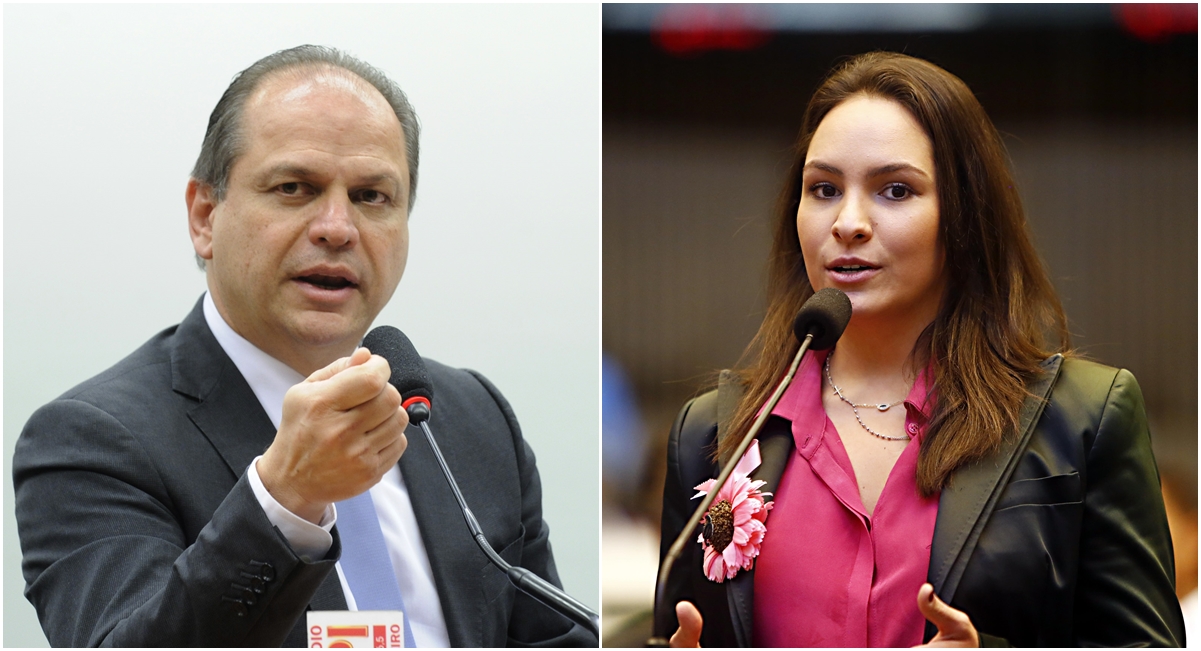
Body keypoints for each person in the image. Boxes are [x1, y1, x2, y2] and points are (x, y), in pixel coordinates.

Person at [14, 45, 595, 648]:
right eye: (295, 187)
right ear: (205, 216)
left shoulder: (470, 417)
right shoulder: (90, 440)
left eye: (372, 197)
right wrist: (286, 499)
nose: (337, 228)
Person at [657, 52, 1184, 647]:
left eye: (895, 190)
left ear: (963, 215)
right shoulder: (714, 434)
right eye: (824, 189)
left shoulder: (1081, 418)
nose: (848, 222)